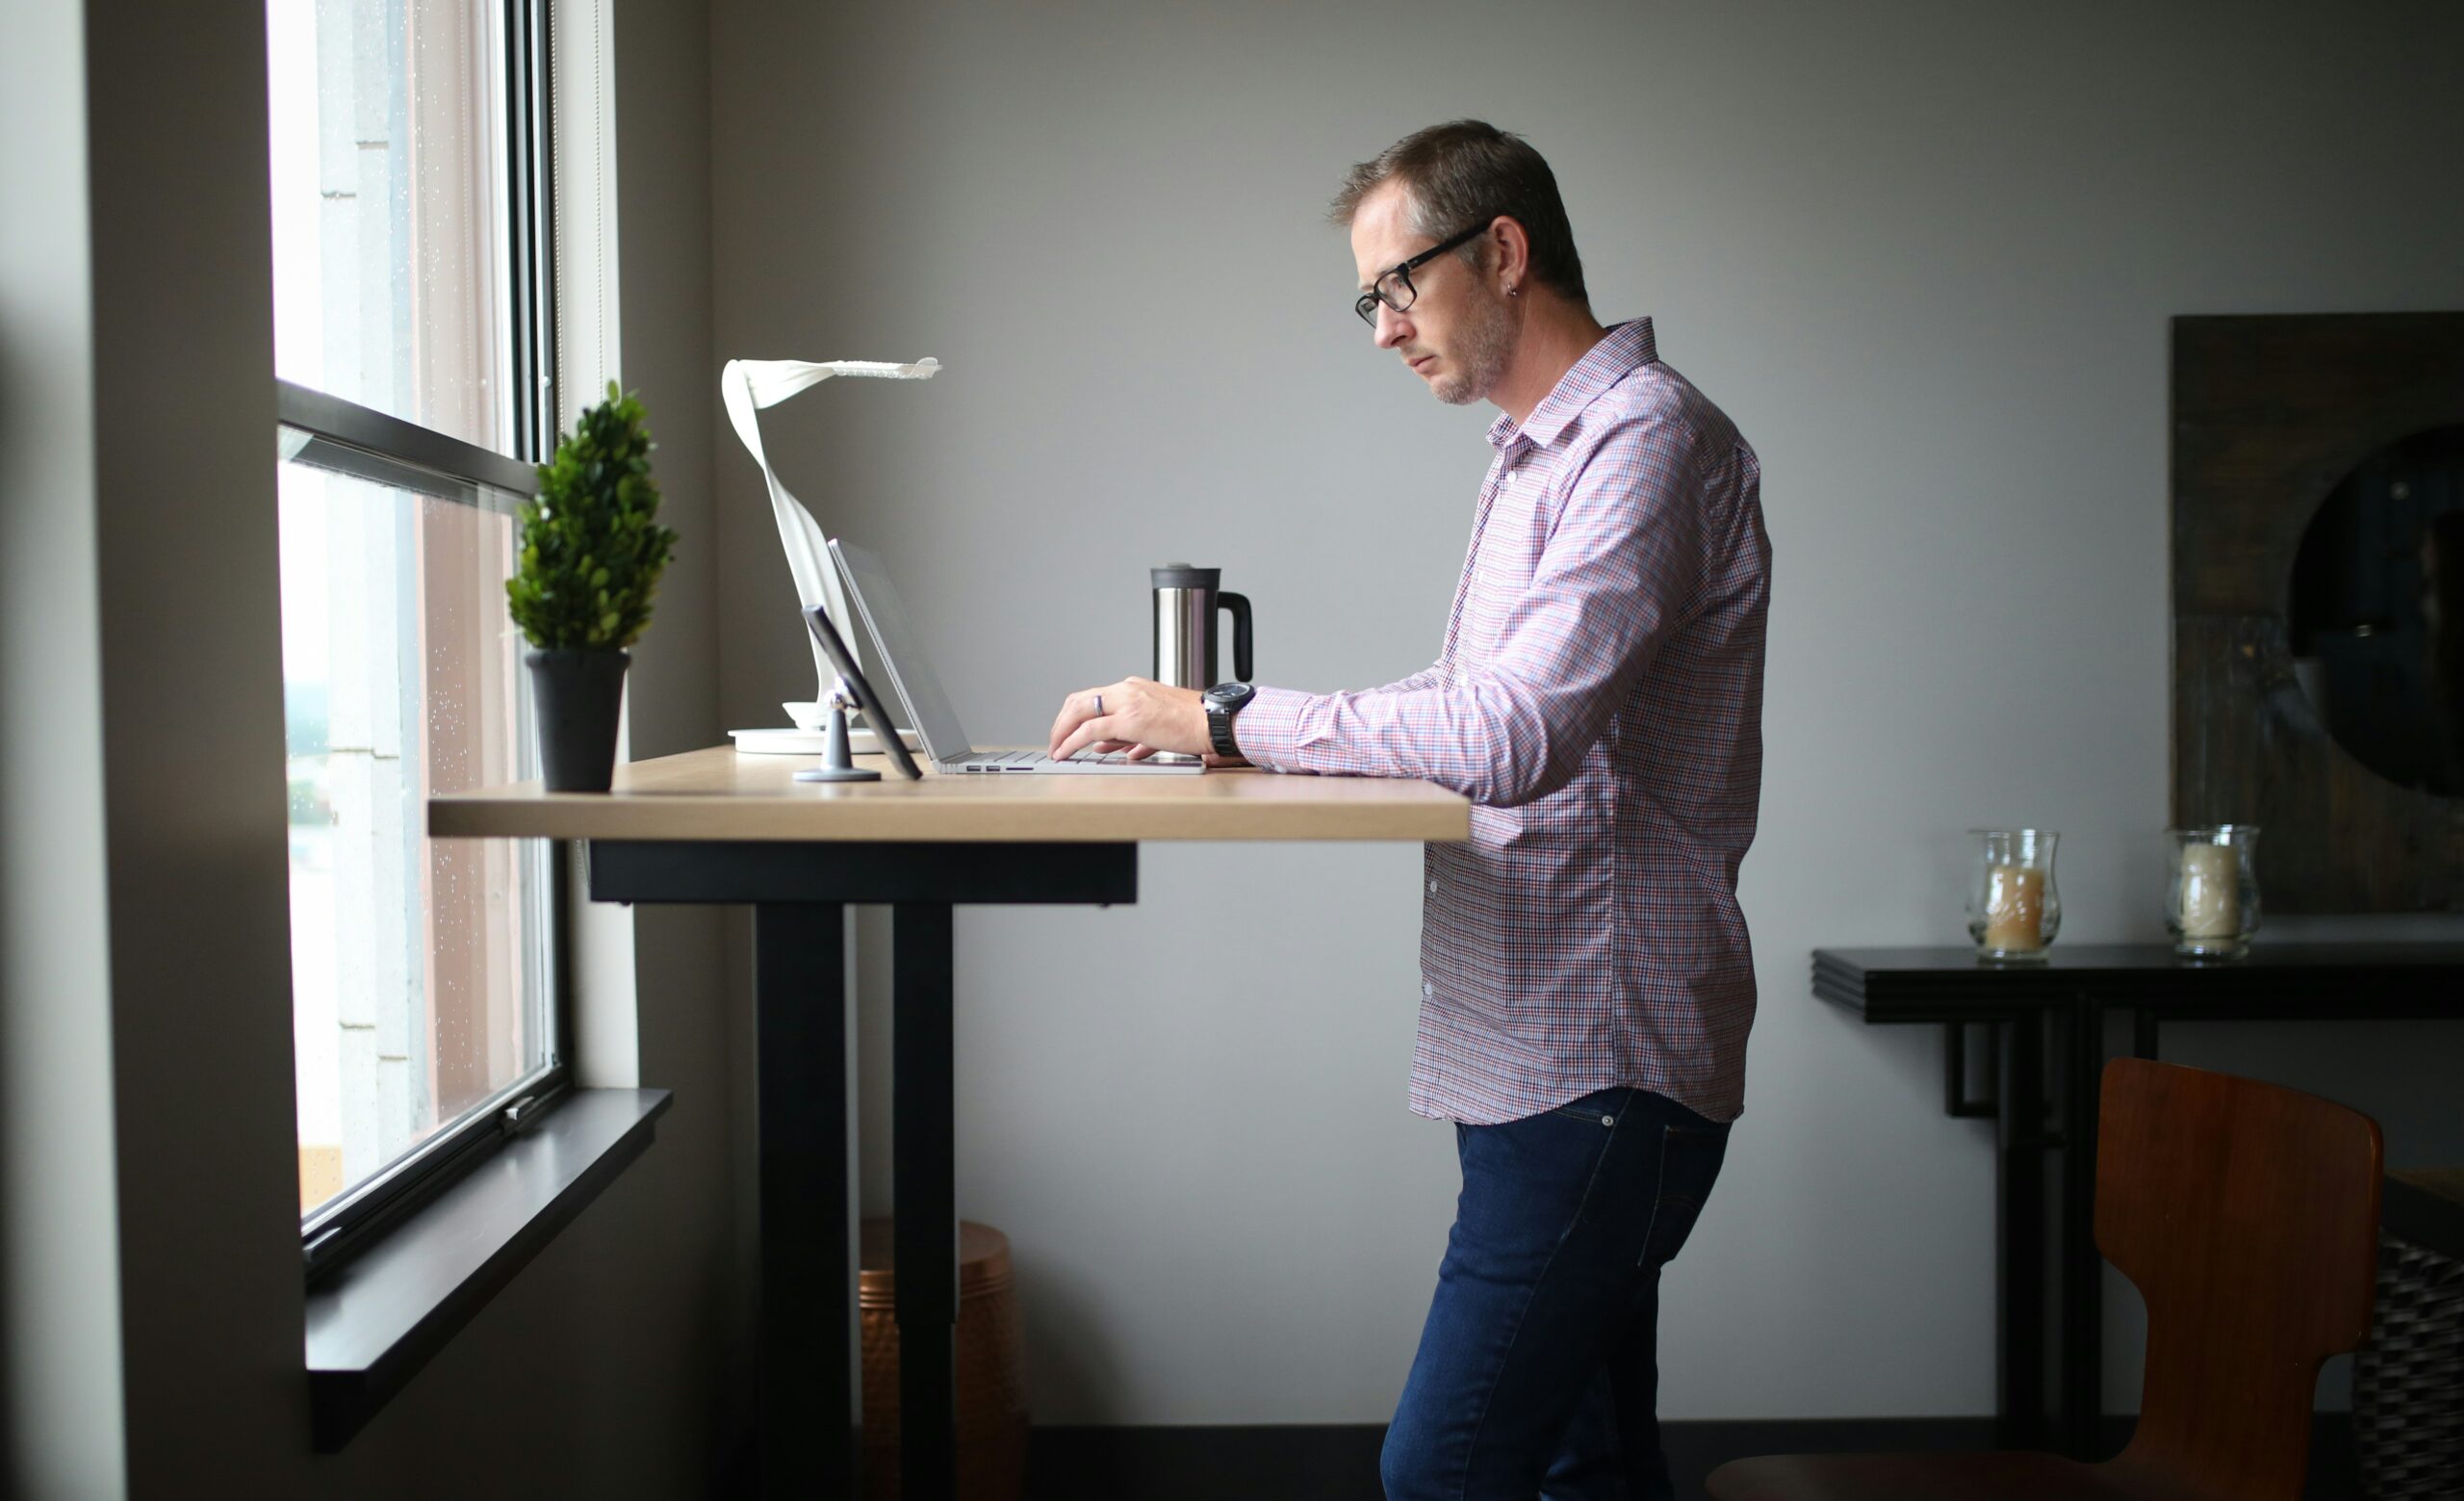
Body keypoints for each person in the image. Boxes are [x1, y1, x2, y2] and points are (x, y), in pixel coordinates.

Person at [1046, 119, 1770, 1501]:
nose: (1380, 330)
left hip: (1596, 1062)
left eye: (1397, 287)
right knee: (1585, 1467)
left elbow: (1510, 733)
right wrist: (1225, 738)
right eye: (1366, 298)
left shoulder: (1645, 445)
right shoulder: (1537, 455)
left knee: (1442, 1474)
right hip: (1541, 1048)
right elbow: (1464, 704)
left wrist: (1225, 715)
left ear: (1502, 252)